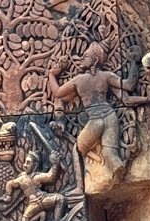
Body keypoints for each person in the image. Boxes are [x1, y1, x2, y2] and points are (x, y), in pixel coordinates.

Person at [48, 43, 137, 184]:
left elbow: (58, 92)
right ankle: (118, 172)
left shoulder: (79, 80)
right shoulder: (107, 76)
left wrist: (52, 74)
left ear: (95, 60)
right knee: (110, 153)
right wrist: (134, 62)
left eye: (86, 56)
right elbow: (129, 85)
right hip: (110, 116)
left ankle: (79, 186)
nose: (82, 58)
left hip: (96, 120)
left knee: (78, 149)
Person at [6, 150, 66, 221]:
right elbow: (9, 183)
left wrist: (55, 164)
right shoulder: (21, 178)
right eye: (25, 162)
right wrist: (8, 195)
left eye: (28, 163)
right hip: (33, 203)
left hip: (43, 199)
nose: (25, 165)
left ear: (35, 165)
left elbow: (50, 177)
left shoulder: (36, 177)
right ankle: (41, 215)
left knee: (60, 198)